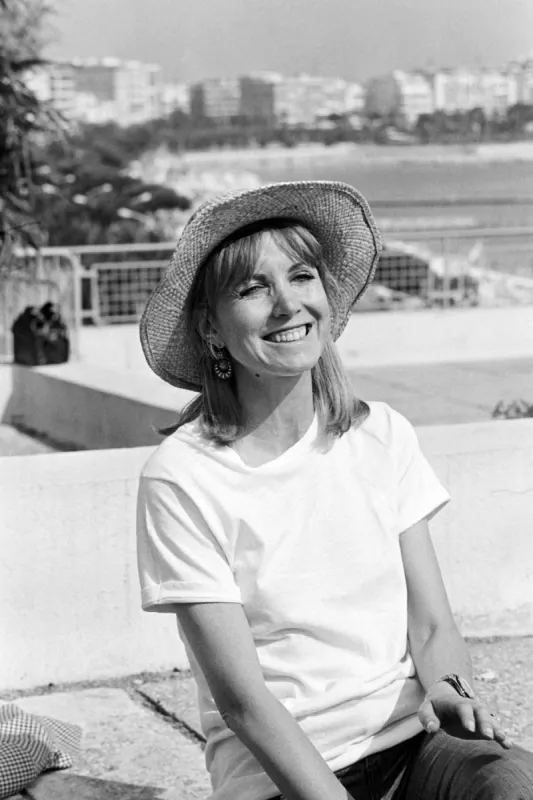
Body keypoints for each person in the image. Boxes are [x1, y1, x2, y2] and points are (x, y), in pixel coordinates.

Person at [136, 181, 533, 800]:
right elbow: (243, 701)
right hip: (280, 778)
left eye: (301, 277)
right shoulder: (183, 477)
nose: (286, 305)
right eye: (252, 288)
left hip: (412, 745)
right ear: (212, 328)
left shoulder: (383, 436)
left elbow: (430, 629)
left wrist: (450, 691)